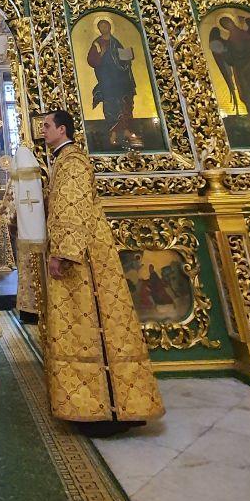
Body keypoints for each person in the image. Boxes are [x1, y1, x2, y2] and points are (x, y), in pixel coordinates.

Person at [41, 109, 163, 427]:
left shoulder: (72, 161)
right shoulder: (64, 159)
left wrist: (63, 252)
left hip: (83, 256)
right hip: (83, 249)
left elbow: (71, 207)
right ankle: (99, 403)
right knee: (87, 323)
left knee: (91, 321)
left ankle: (107, 407)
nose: (43, 131)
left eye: (47, 126)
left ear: (62, 130)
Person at [86, 18, 141, 149]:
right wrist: (102, 53)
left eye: (105, 25)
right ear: (98, 29)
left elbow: (122, 59)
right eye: (101, 26)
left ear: (110, 27)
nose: (103, 28)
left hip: (121, 79)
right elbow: (91, 60)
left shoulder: (116, 42)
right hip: (108, 80)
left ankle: (127, 131)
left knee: (125, 104)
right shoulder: (97, 43)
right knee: (111, 105)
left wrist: (127, 57)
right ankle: (113, 135)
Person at [8, 143, 46, 321]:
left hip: (24, 235)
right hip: (41, 233)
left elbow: (8, 211)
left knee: (27, 270)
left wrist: (13, 223)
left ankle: (28, 310)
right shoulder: (43, 177)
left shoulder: (15, 183)